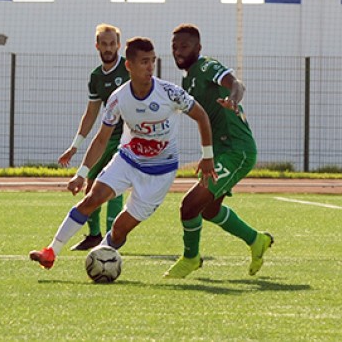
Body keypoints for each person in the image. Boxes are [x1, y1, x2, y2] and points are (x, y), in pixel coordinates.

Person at [29, 37, 217, 270]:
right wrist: (81, 173)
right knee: (92, 199)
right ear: (129, 65)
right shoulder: (118, 98)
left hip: (160, 173)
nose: (150, 67)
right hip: (127, 160)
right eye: (144, 62)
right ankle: (50, 252)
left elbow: (202, 116)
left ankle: (102, 257)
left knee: (119, 230)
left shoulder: (170, 92)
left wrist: (207, 155)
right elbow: (101, 138)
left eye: (153, 61)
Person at [164, 23, 273, 279]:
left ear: (198, 48)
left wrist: (233, 99)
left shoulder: (206, 67)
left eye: (185, 46)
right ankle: (256, 240)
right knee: (209, 210)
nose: (179, 52)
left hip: (237, 150)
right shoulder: (188, 79)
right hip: (222, 151)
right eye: (175, 47)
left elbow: (237, 84)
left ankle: (191, 258)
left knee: (189, 206)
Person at [57, 24, 128, 251]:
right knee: (91, 185)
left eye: (112, 44)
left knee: (112, 183)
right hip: (108, 136)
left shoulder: (128, 68)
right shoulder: (96, 76)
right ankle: (95, 235)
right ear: (97, 45)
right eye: (104, 44)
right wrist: (75, 146)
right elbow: (91, 113)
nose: (108, 48)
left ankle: (112, 238)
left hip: (129, 137)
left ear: (118, 44)